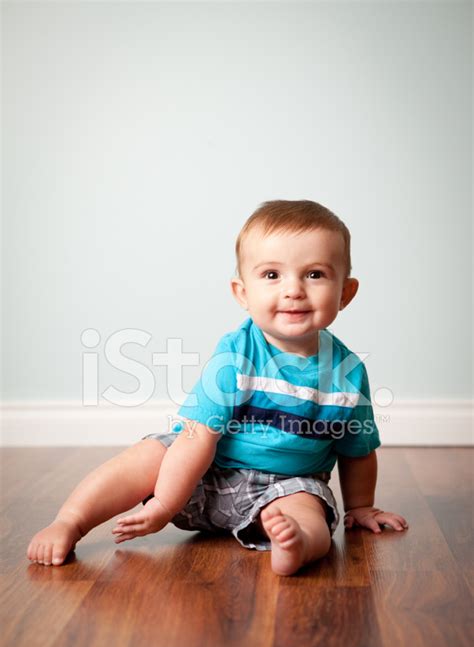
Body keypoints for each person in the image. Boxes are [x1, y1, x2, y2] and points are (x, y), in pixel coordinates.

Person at [27, 199, 408, 576]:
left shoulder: (348, 374)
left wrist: (361, 507)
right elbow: (197, 439)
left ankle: (294, 543)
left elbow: (357, 449)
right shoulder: (235, 355)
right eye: (272, 275)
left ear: (345, 292)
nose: (293, 290)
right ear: (242, 293)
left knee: (307, 507)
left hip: (283, 488)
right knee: (152, 453)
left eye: (314, 274)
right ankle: (70, 521)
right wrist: (162, 505)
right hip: (200, 475)